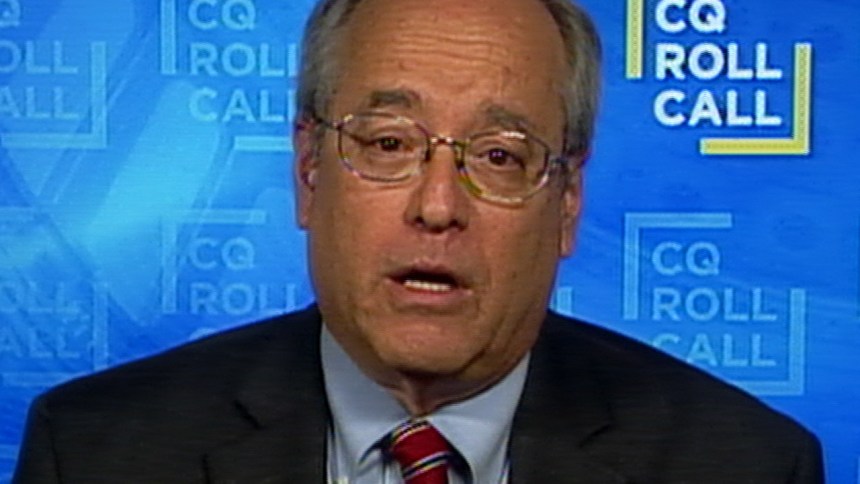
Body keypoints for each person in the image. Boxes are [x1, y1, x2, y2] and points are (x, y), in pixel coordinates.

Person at [13, 0, 824, 482]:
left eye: (500, 157)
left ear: (569, 202)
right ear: (308, 173)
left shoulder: (744, 466)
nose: (438, 207)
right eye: (388, 144)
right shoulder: (95, 454)